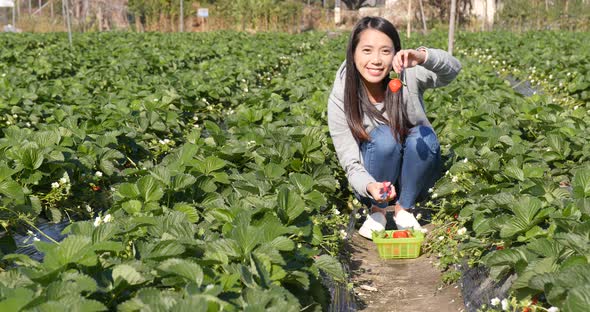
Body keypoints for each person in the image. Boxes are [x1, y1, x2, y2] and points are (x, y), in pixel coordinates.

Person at [327, 16, 461, 239]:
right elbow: (350, 162)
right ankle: (377, 211)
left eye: (385, 51)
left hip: (414, 174)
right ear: (353, 53)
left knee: (424, 136)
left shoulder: (408, 71)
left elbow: (453, 70)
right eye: (367, 50)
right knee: (384, 137)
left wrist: (422, 56)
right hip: (373, 177)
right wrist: (370, 187)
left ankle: (403, 209)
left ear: (396, 53)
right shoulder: (342, 96)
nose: (376, 60)